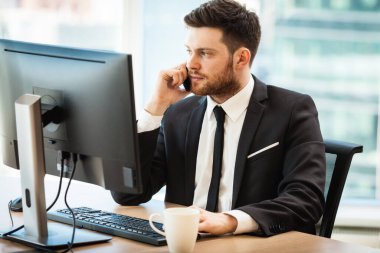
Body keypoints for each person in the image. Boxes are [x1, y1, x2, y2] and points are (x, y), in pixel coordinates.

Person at [112, 0, 326, 236]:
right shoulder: (178, 115)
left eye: (204, 53)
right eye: (189, 51)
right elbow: (128, 194)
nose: (191, 64)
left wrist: (230, 221)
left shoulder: (292, 110)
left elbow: (306, 200)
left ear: (241, 58)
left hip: (253, 246)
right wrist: (155, 108)